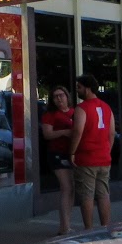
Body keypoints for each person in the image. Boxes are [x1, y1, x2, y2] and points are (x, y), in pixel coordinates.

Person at [68, 73, 115, 229]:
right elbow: (111, 133)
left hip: (87, 158)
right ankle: (105, 227)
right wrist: (107, 150)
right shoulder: (107, 107)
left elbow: (78, 131)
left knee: (87, 195)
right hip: (104, 157)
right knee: (103, 194)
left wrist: (72, 152)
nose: (77, 90)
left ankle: (88, 229)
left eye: (79, 87)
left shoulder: (82, 108)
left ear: (87, 89)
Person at [39, 86, 77, 234]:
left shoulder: (75, 112)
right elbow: (47, 134)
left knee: (71, 188)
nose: (59, 99)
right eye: (55, 96)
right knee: (66, 187)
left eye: (61, 95)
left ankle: (66, 224)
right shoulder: (50, 115)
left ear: (67, 96)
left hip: (72, 153)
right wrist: (64, 132)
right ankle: (65, 226)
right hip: (57, 154)